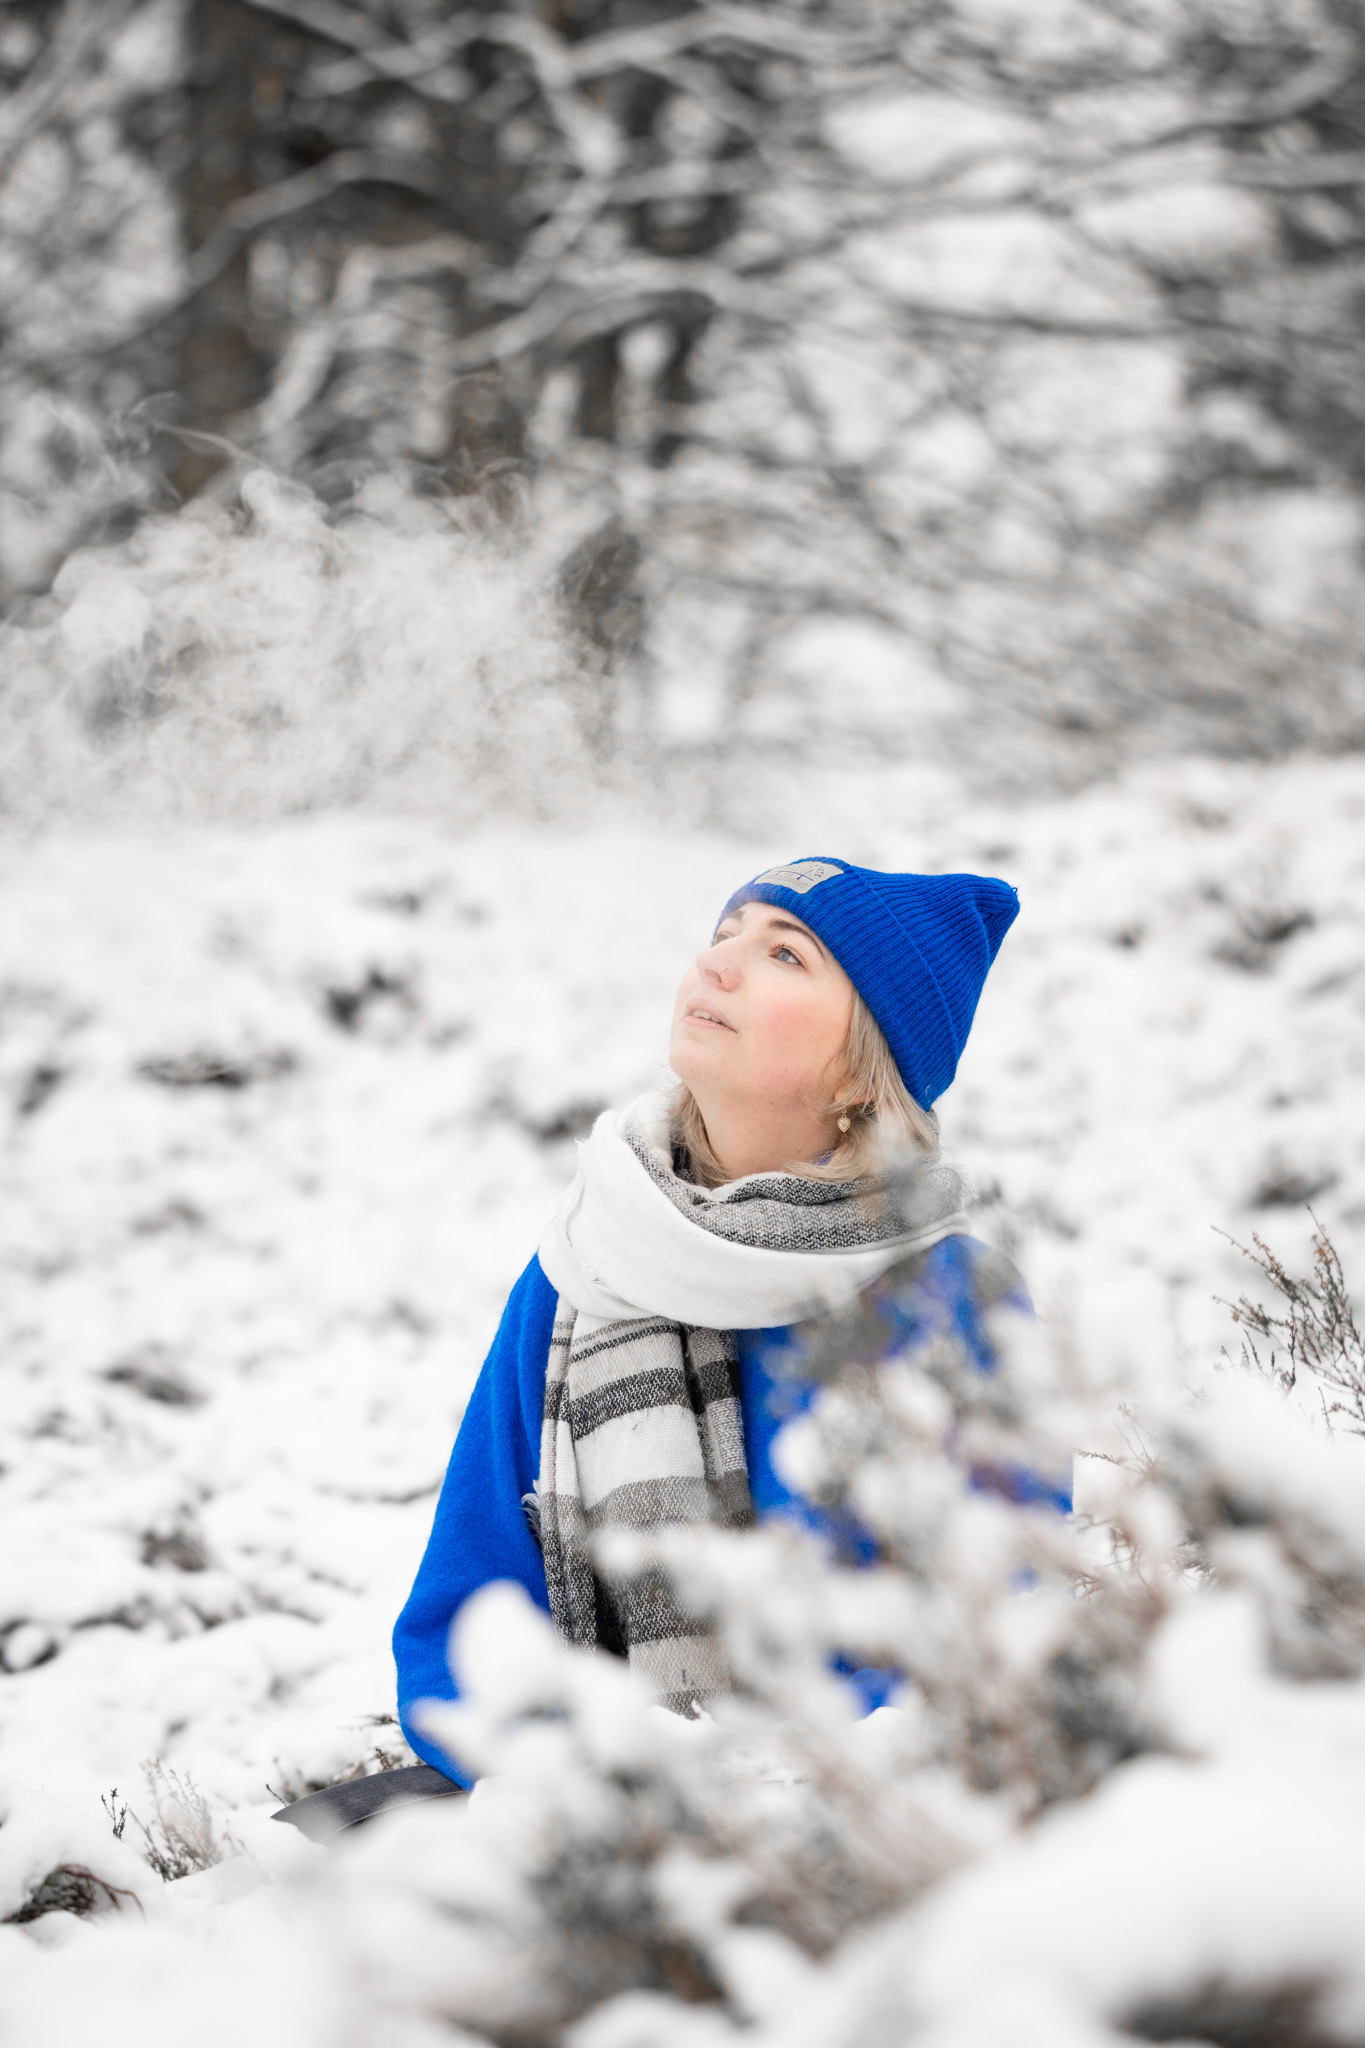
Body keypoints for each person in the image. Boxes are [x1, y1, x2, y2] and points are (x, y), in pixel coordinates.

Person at [392, 854, 1026, 1788]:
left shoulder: (942, 1297)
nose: (718, 965)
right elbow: (467, 1612)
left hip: (871, 1812)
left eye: (785, 955)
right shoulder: (587, 1269)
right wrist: (566, 1773)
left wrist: (758, 1788)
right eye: (724, 935)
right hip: (594, 1807)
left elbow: (990, 1618)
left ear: (862, 1070)